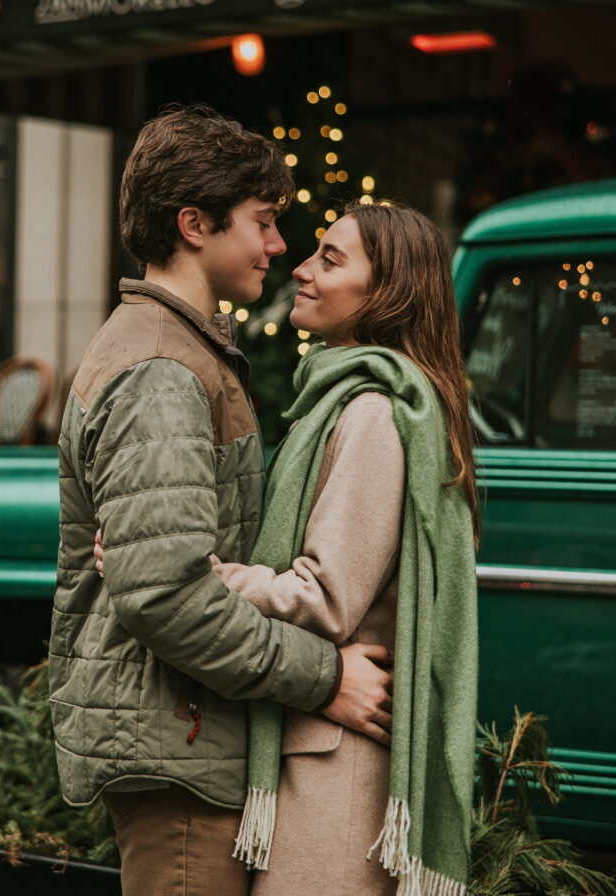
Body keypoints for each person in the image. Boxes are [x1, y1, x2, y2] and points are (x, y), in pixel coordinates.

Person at [48, 104, 394, 896]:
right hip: (178, 754)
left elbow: (165, 570)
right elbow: (166, 594)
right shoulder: (163, 371)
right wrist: (324, 677)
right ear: (195, 224)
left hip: (188, 739)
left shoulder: (182, 352)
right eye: (265, 222)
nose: (279, 245)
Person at [95, 200, 479, 895]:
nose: (299, 267)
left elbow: (325, 598)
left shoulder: (370, 413)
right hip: (322, 748)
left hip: (337, 769)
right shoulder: (343, 401)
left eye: (330, 260)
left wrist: (202, 574)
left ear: (387, 291)